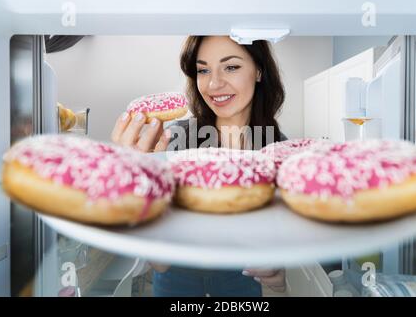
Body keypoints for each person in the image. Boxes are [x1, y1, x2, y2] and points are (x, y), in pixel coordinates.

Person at [111, 36, 288, 296]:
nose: (214, 84)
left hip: (241, 278)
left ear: (259, 70)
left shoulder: (278, 149)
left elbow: (282, 237)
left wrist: (278, 272)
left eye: (231, 67)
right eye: (203, 70)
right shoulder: (174, 140)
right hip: (176, 278)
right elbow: (159, 261)